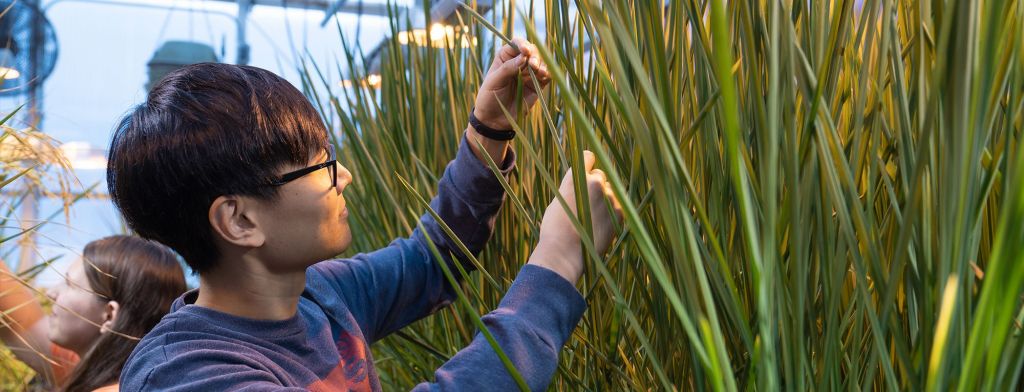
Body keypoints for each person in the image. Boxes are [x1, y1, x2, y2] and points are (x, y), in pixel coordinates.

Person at [107, 37, 622, 390]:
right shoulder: (188, 373)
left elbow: (433, 257)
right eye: (320, 166)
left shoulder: (319, 297)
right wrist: (557, 260)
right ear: (239, 221)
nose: (343, 176)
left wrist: (488, 131)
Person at [0, 235, 187, 392]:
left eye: (69, 284)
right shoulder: (111, 375)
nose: (50, 293)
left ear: (109, 315)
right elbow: (20, 324)